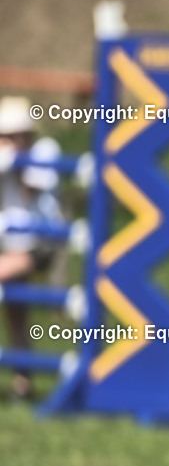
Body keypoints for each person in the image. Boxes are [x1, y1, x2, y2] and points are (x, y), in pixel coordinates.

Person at [0, 96, 65, 399]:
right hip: (13, 245)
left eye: (13, 135)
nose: (9, 141)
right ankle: (23, 384)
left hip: (41, 244)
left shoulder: (45, 151)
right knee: (16, 315)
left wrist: (12, 162)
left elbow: (32, 188)